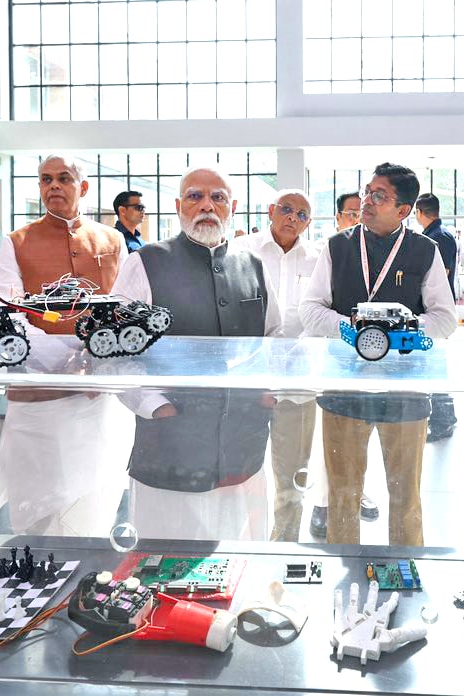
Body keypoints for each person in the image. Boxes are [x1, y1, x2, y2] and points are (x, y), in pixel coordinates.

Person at [111, 167, 282, 541]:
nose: (207, 205)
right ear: (178, 206)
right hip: (169, 447)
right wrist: (155, 405)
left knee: (237, 566)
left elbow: (275, 339)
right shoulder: (145, 263)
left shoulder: (254, 266)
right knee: (162, 569)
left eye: (217, 197)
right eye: (195, 196)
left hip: (243, 447)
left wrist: (270, 395)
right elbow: (116, 351)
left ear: (233, 206)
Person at [300, 162, 457, 546]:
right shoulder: (338, 245)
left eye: (379, 196)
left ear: (403, 210)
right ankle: (345, 576)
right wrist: (348, 330)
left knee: (406, 499)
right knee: (342, 496)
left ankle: (405, 571)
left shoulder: (424, 251)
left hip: (405, 391)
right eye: (367, 191)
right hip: (342, 388)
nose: (365, 201)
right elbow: (310, 309)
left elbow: (446, 319)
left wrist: (401, 331)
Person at [0, 154, 131, 537]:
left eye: (64, 179)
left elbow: (126, 305)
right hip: (38, 394)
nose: (53, 186)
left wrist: (92, 359)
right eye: (46, 179)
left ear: (82, 188)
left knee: (95, 498)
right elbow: (10, 316)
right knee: (39, 509)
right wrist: (67, 359)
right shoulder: (16, 242)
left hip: (97, 394)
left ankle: (86, 583)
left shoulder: (113, 239)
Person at [231, 188, 320, 541]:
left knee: (292, 479)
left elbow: (323, 316)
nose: (292, 218)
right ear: (271, 210)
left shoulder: (319, 258)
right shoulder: (241, 251)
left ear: (309, 222)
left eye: (301, 214)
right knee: (241, 477)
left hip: (298, 387)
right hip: (247, 385)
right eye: (286, 209)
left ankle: (284, 548)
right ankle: (243, 549)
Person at [306, 189, 379, 539]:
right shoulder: (333, 250)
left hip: (382, 371)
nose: (357, 218)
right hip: (337, 364)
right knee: (332, 448)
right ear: (338, 218)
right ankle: (323, 505)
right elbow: (312, 310)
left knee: (369, 446)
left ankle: (360, 492)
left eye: (360, 211)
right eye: (350, 213)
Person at [414, 192, 458, 442]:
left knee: (436, 367)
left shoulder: (438, 238)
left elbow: (441, 273)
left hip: (436, 313)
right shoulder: (439, 235)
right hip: (434, 311)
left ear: (420, 212)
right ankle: (444, 417)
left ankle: (443, 421)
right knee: (434, 366)